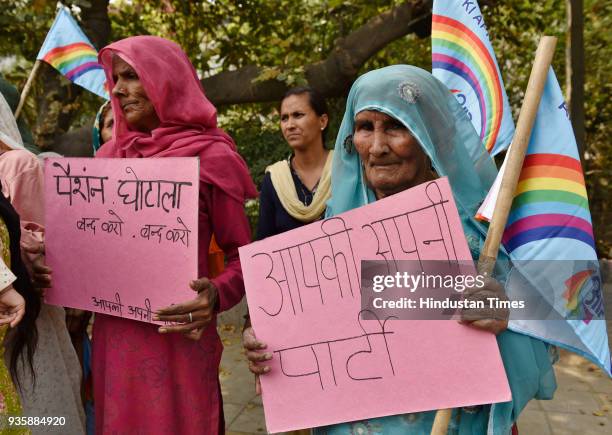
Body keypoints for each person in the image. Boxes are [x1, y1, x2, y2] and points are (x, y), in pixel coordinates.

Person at [243, 65, 557, 434]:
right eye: (364, 128)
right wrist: (269, 341)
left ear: (429, 135)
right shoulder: (332, 230)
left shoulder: (479, 230)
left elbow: (557, 304)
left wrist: (507, 309)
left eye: (395, 126)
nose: (377, 147)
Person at [92, 35, 256, 434]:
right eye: (116, 79)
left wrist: (216, 294)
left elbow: (246, 258)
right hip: (115, 343)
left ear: (165, 78)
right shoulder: (104, 162)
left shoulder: (212, 157)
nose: (118, 89)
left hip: (180, 338)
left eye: (131, 76)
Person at [0, 93, 85, 434]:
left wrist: (28, 260)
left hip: (27, 329)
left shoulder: (18, 164)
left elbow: (44, 245)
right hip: (19, 322)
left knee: (33, 416)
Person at [256, 87, 332, 240]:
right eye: (284, 118)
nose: (289, 125)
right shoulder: (275, 180)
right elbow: (264, 247)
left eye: (298, 115)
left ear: (322, 121)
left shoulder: (345, 169)